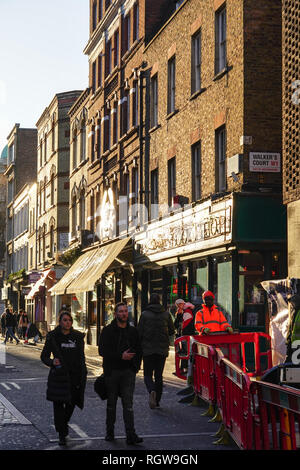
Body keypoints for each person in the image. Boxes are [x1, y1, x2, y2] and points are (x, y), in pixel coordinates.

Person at [98, 302, 143, 445]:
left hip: (128, 372)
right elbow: (102, 351)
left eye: (125, 311)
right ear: (115, 314)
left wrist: (135, 367)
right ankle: (109, 432)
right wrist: (120, 356)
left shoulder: (133, 331)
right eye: (121, 311)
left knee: (128, 405)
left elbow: (139, 350)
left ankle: (131, 435)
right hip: (112, 372)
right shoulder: (108, 331)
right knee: (111, 405)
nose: (124, 314)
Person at [41, 311, 87, 446]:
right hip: (59, 376)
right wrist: (52, 362)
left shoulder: (77, 337)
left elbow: (81, 357)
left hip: (74, 376)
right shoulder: (53, 337)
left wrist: (83, 372)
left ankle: (63, 424)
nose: (67, 322)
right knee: (59, 405)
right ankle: (62, 433)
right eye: (65, 320)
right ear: (60, 322)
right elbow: (44, 356)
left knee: (72, 402)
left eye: (69, 320)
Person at [138, 293, 175, 410]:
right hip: (162, 350)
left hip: (148, 350)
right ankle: (157, 401)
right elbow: (171, 331)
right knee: (159, 375)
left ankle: (151, 390)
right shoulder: (166, 314)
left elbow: (139, 332)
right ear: (159, 301)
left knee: (147, 375)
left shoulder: (144, 315)